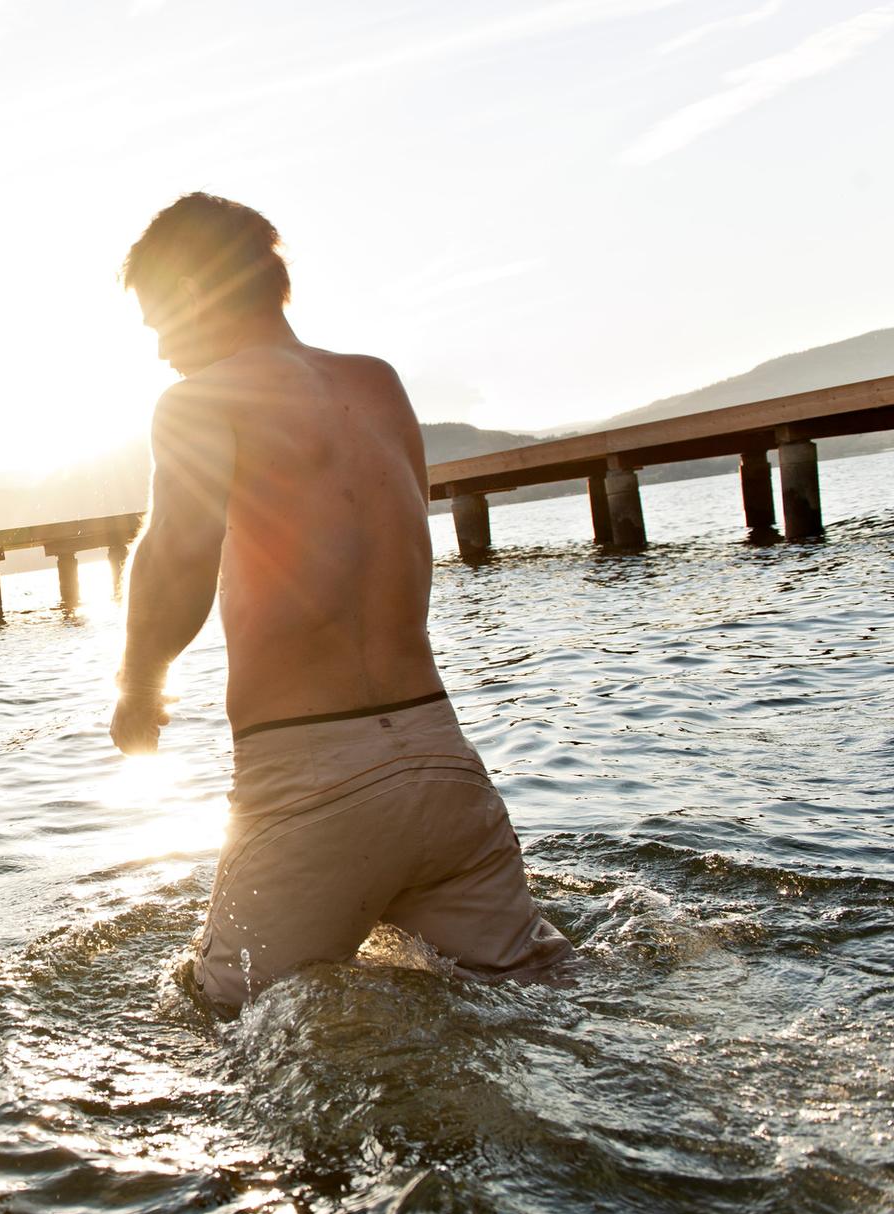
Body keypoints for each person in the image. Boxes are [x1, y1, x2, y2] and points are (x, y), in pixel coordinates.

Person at [109, 193, 571, 1013]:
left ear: (194, 288)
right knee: (532, 1004)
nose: (159, 351)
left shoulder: (201, 401)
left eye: (157, 323)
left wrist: (139, 688)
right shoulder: (377, 384)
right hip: (444, 767)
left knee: (206, 1016)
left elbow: (178, 556)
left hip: (309, 782)